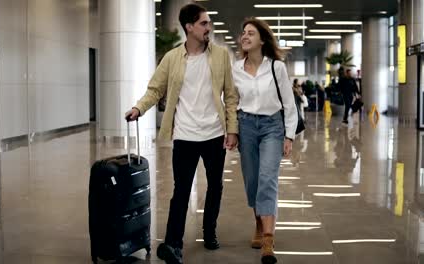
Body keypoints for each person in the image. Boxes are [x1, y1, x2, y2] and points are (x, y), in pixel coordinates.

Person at [125, 3, 239, 264]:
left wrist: (232, 129)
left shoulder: (221, 55)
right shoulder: (172, 58)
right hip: (185, 135)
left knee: (216, 186)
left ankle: (209, 231)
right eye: (204, 23)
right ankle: (173, 244)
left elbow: (230, 96)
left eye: (208, 23)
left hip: (213, 134)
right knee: (181, 190)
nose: (208, 27)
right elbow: (155, 89)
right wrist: (138, 108)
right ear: (189, 27)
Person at [232, 18, 298, 264]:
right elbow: (231, 101)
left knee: (267, 178)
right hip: (246, 125)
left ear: (262, 39)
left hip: (272, 126)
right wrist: (232, 131)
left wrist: (288, 135)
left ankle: (268, 239)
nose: (245, 36)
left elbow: (289, 105)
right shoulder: (235, 68)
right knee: (251, 181)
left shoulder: (276, 67)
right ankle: (259, 223)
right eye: (243, 33)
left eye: (251, 33)